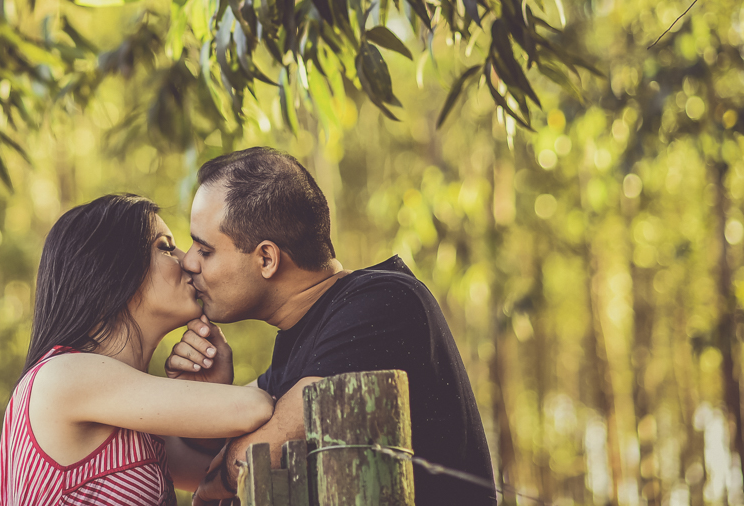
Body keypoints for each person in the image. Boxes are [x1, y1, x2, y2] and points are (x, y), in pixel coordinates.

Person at [165, 147, 497, 506]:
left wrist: (218, 481)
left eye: (205, 249)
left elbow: (261, 451)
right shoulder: (301, 341)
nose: (188, 262)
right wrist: (211, 396)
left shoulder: (385, 302)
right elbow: (190, 457)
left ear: (266, 258)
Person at [0, 193, 274, 506]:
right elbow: (254, 408)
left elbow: (212, 474)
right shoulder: (64, 376)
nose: (188, 260)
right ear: (112, 270)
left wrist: (210, 390)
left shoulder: (132, 423)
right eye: (165, 246)